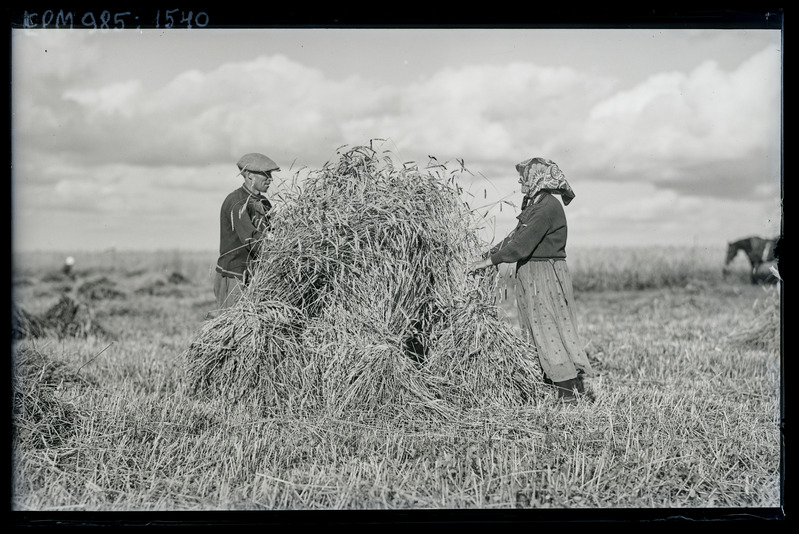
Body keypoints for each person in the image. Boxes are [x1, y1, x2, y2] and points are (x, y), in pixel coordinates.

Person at [468, 157, 593, 404]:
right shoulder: (536, 204)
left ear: (538, 178)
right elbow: (516, 237)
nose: (519, 180)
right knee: (538, 329)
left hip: (544, 276)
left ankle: (566, 396)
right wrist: (486, 255)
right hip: (534, 274)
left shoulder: (547, 208)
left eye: (524, 176)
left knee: (549, 329)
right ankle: (555, 387)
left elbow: (521, 246)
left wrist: (489, 262)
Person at [213, 152, 279, 311]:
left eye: (270, 174)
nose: (270, 179)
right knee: (232, 325)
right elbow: (252, 239)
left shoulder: (263, 202)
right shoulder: (237, 203)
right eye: (266, 174)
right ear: (250, 176)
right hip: (235, 275)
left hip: (255, 274)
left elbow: (273, 231)